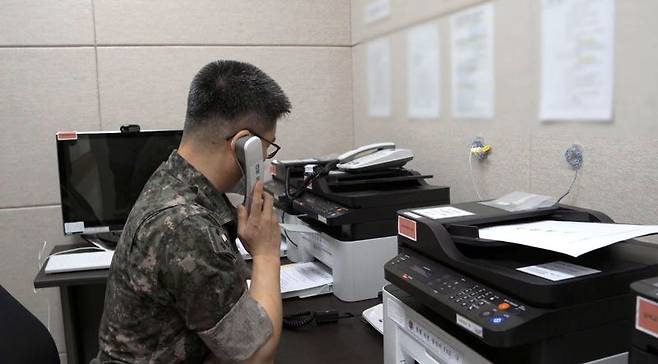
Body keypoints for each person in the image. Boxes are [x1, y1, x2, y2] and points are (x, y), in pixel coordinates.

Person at [95, 60, 291, 363]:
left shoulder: (172, 180)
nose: (265, 159)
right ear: (244, 145)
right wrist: (266, 253)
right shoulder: (185, 225)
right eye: (267, 146)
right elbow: (257, 357)